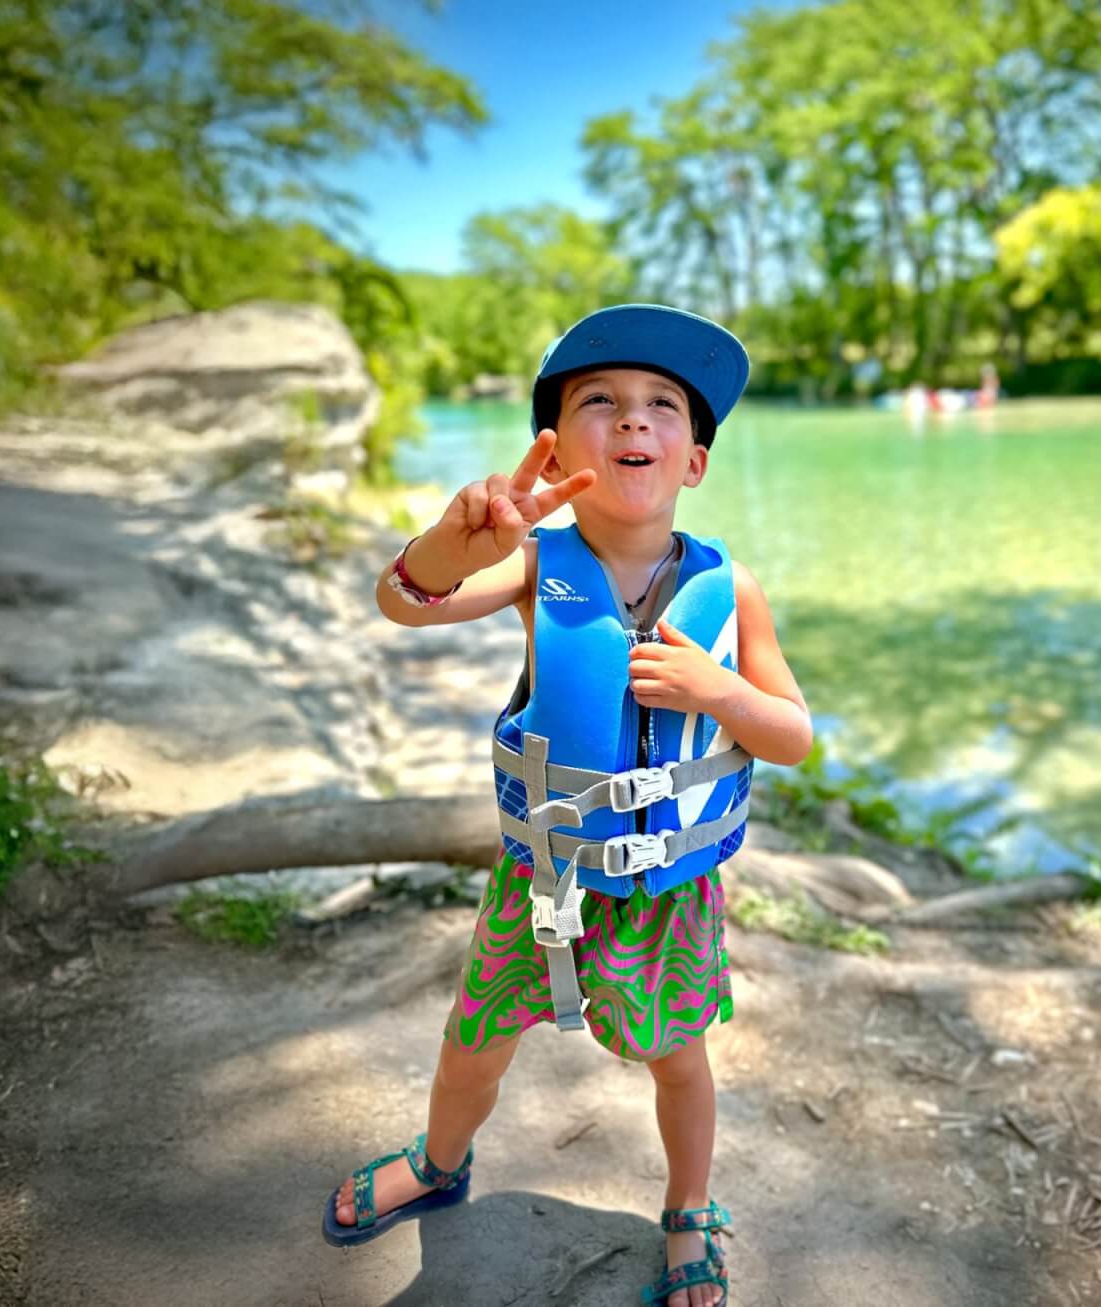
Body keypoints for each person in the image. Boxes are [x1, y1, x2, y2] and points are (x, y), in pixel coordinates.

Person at [324, 304, 812, 1307]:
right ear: (556, 451)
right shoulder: (535, 562)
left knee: (677, 1062)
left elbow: (793, 734)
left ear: (694, 462)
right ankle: (438, 1157)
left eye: (661, 406)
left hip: (666, 896)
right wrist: (452, 537)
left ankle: (687, 1207)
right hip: (543, 876)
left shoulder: (733, 587)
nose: (633, 420)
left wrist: (720, 693)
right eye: (601, 402)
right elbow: (402, 599)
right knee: (474, 1038)